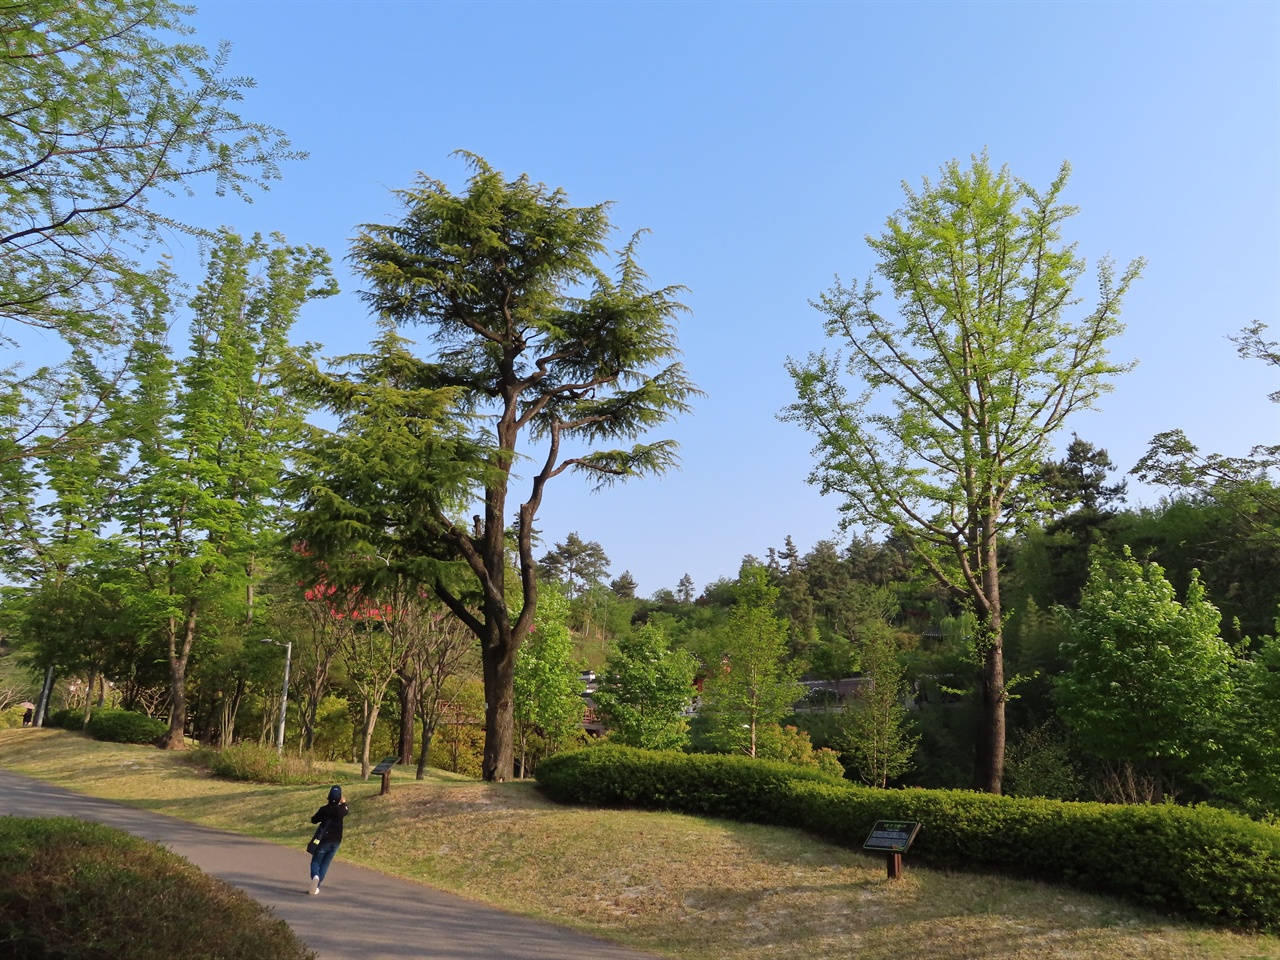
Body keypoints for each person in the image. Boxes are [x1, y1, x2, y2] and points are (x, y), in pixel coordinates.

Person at [308, 785, 348, 895]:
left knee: (316, 861)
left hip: (323, 840)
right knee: (325, 863)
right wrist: (344, 802)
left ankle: (315, 876)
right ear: (340, 798)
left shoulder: (324, 810)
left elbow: (314, 820)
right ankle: (317, 885)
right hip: (336, 841)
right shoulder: (341, 810)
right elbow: (346, 809)